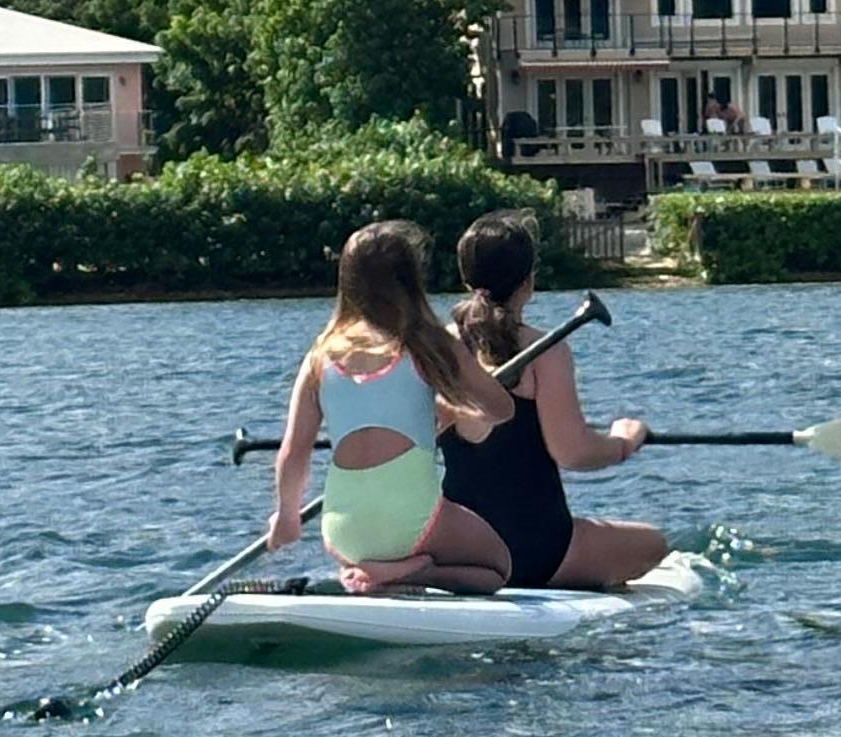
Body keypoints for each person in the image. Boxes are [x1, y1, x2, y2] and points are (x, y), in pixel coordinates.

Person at [266, 219, 516, 595]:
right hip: (411, 520)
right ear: (411, 279)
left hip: (343, 531)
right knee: (495, 567)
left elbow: (293, 452)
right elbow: (501, 409)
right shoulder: (428, 343)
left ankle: (372, 570)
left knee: (369, 533)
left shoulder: (322, 354)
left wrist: (286, 518)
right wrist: (453, 408)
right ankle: (412, 573)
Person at [441, 211, 668, 591]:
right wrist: (624, 442)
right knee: (656, 544)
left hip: (459, 550)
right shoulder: (545, 351)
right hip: (538, 551)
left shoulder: (436, 347)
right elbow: (573, 452)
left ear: (465, 278)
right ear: (528, 282)